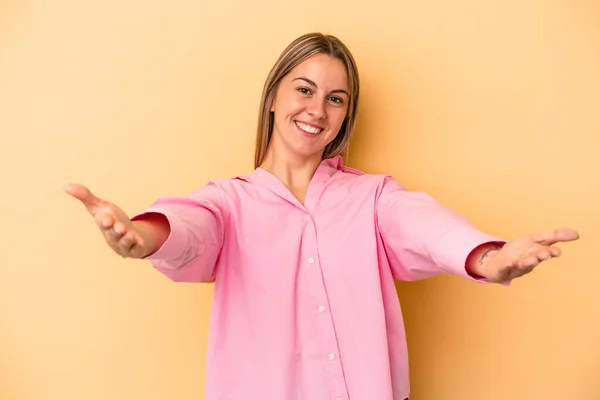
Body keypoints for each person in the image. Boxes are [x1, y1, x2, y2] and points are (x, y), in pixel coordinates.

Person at [65, 32, 579, 400]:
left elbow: (426, 227)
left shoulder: (374, 198)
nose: (318, 109)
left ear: (344, 118)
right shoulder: (230, 201)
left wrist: (487, 257)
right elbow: (190, 228)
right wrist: (141, 235)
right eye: (304, 89)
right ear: (272, 98)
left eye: (336, 99)